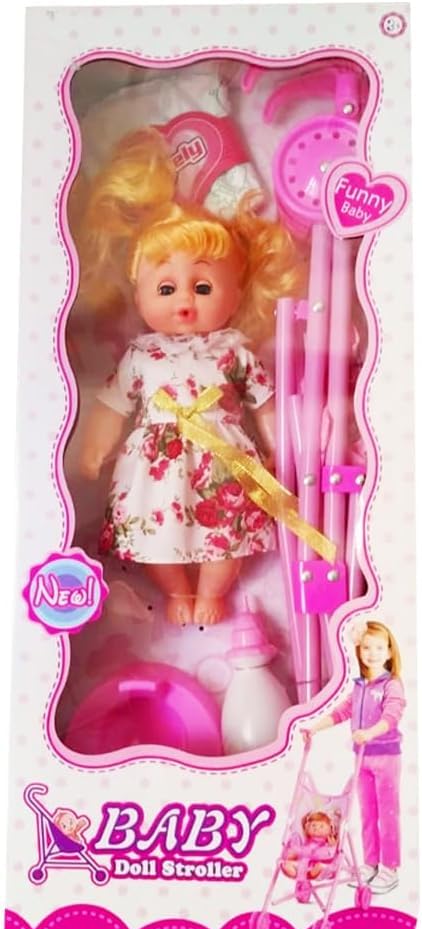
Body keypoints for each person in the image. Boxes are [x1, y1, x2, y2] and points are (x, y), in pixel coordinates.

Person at [77, 127, 305, 626]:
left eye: (202, 287)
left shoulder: (233, 350)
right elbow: (112, 402)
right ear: (138, 295)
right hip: (154, 465)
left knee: (227, 533)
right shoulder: (140, 354)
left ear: (235, 293)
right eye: (166, 288)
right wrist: (93, 447)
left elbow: (265, 403)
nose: (184, 301)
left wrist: (279, 448)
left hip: (222, 458)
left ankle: (212, 591)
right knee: (153, 534)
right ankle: (177, 591)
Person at [304, 620, 405, 894]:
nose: (373, 653)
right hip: (361, 757)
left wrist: (369, 732)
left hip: (385, 757)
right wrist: (314, 728)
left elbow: (392, 716)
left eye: (379, 648)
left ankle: (390, 868)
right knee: (367, 813)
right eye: (367, 647)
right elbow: (341, 712)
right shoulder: (360, 686)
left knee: (388, 814)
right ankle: (370, 863)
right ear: (359, 650)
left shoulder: (391, 685)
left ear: (389, 652)